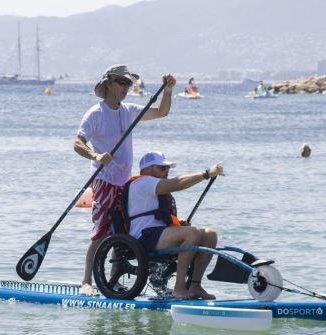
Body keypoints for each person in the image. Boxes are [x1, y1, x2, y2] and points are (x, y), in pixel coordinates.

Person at [73, 65, 176, 295]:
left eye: (129, 84)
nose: (126, 88)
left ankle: (114, 279)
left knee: (123, 233)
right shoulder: (95, 114)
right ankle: (86, 281)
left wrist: (168, 90)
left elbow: (161, 112)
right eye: (122, 83)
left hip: (125, 184)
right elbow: (77, 143)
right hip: (104, 181)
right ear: (108, 83)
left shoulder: (128, 111)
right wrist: (96, 155)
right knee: (101, 232)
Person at [124, 151, 224, 300]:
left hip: (158, 233)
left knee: (210, 235)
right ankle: (179, 289)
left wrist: (179, 224)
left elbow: (159, 216)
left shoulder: (154, 186)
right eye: (162, 168)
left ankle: (195, 286)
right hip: (143, 237)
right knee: (192, 233)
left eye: (168, 169)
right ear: (148, 169)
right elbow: (177, 183)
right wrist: (206, 174)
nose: (167, 172)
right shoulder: (142, 182)